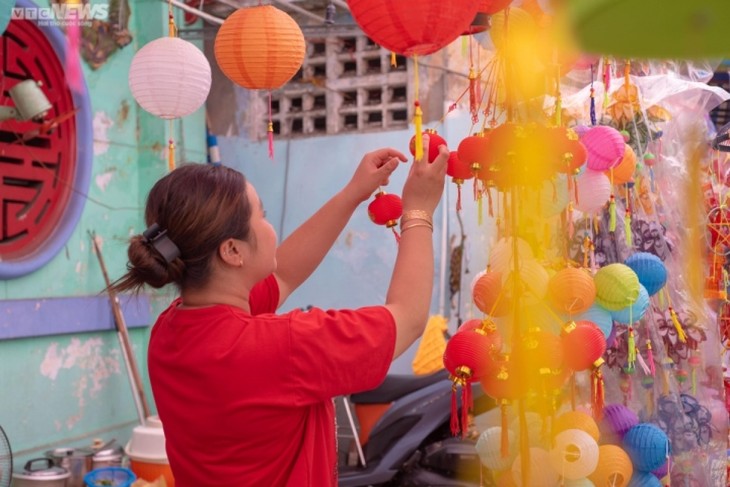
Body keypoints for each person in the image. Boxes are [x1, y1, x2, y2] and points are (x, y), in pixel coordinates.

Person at [110, 136, 449, 486]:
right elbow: (407, 317)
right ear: (232, 251)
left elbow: (283, 274)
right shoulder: (282, 347)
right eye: (263, 215)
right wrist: (419, 210)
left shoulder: (170, 330)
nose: (270, 227)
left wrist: (353, 193)